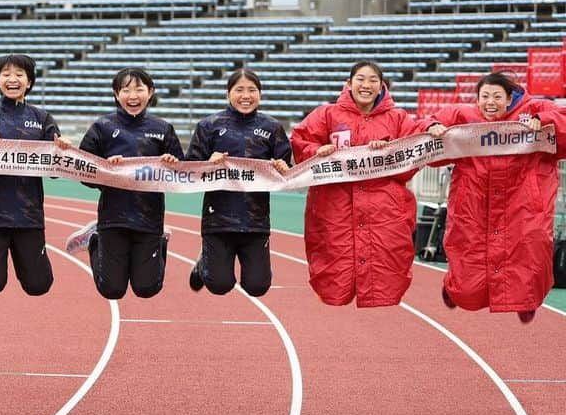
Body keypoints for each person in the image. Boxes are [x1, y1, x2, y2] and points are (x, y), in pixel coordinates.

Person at [290, 61, 430, 308]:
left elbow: (415, 150)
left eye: (373, 80)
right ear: (349, 84)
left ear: (381, 86)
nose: (366, 85)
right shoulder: (327, 114)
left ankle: (379, 296)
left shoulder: (397, 118)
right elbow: (300, 142)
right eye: (361, 79)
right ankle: (335, 294)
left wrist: (389, 153)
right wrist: (317, 150)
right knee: (334, 253)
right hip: (335, 203)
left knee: (386, 255)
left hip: (383, 204)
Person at [429, 72, 566, 323]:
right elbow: (428, 128)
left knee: (529, 249)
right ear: (477, 99)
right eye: (484, 96)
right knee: (468, 250)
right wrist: (431, 126)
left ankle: (526, 300)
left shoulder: (535, 108)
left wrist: (545, 120)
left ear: (509, 97)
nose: (490, 102)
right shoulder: (464, 115)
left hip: (523, 199)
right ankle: (457, 289)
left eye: (496, 96)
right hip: (474, 198)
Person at [0, 54, 70, 295]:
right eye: (6, 74)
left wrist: (61, 150)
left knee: (39, 286)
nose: (12, 79)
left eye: (19, 74)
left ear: (30, 82)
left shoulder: (42, 119)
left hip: (28, 214)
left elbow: (56, 172)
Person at [79, 67, 183, 300]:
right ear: (117, 94)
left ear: (150, 92)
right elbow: (83, 170)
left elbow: (181, 173)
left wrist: (171, 163)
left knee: (147, 289)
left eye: (139, 89)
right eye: (126, 90)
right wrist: (105, 168)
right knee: (111, 290)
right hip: (113, 218)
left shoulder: (162, 129)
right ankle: (94, 241)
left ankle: (161, 243)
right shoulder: (102, 127)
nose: (133, 96)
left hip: (149, 219)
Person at [185, 69, 291, 297]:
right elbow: (190, 169)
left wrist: (282, 167)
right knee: (219, 285)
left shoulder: (272, 128)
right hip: (218, 219)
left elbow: (284, 168)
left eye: (252, 90)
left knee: (258, 287)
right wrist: (207, 163)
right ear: (228, 94)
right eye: (239, 90)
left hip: (255, 220)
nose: (246, 95)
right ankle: (205, 263)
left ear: (260, 95)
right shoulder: (209, 126)